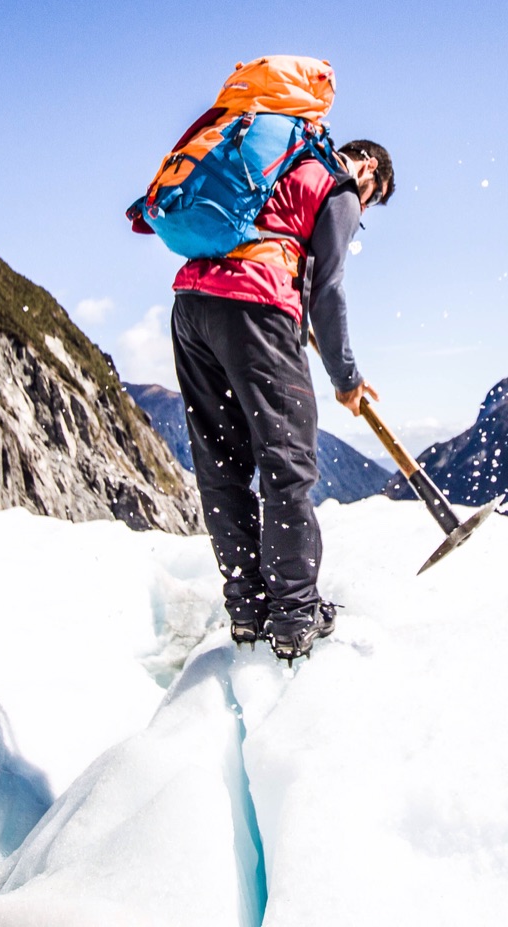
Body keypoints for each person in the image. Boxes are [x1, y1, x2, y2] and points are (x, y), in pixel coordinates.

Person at [170, 138, 395, 660]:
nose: (363, 209)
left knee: (220, 466)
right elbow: (329, 290)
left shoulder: (278, 166)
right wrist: (347, 380)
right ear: (367, 166)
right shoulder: (334, 180)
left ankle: (247, 611)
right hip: (254, 308)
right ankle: (295, 617)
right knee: (286, 462)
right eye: (373, 197)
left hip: (192, 305)